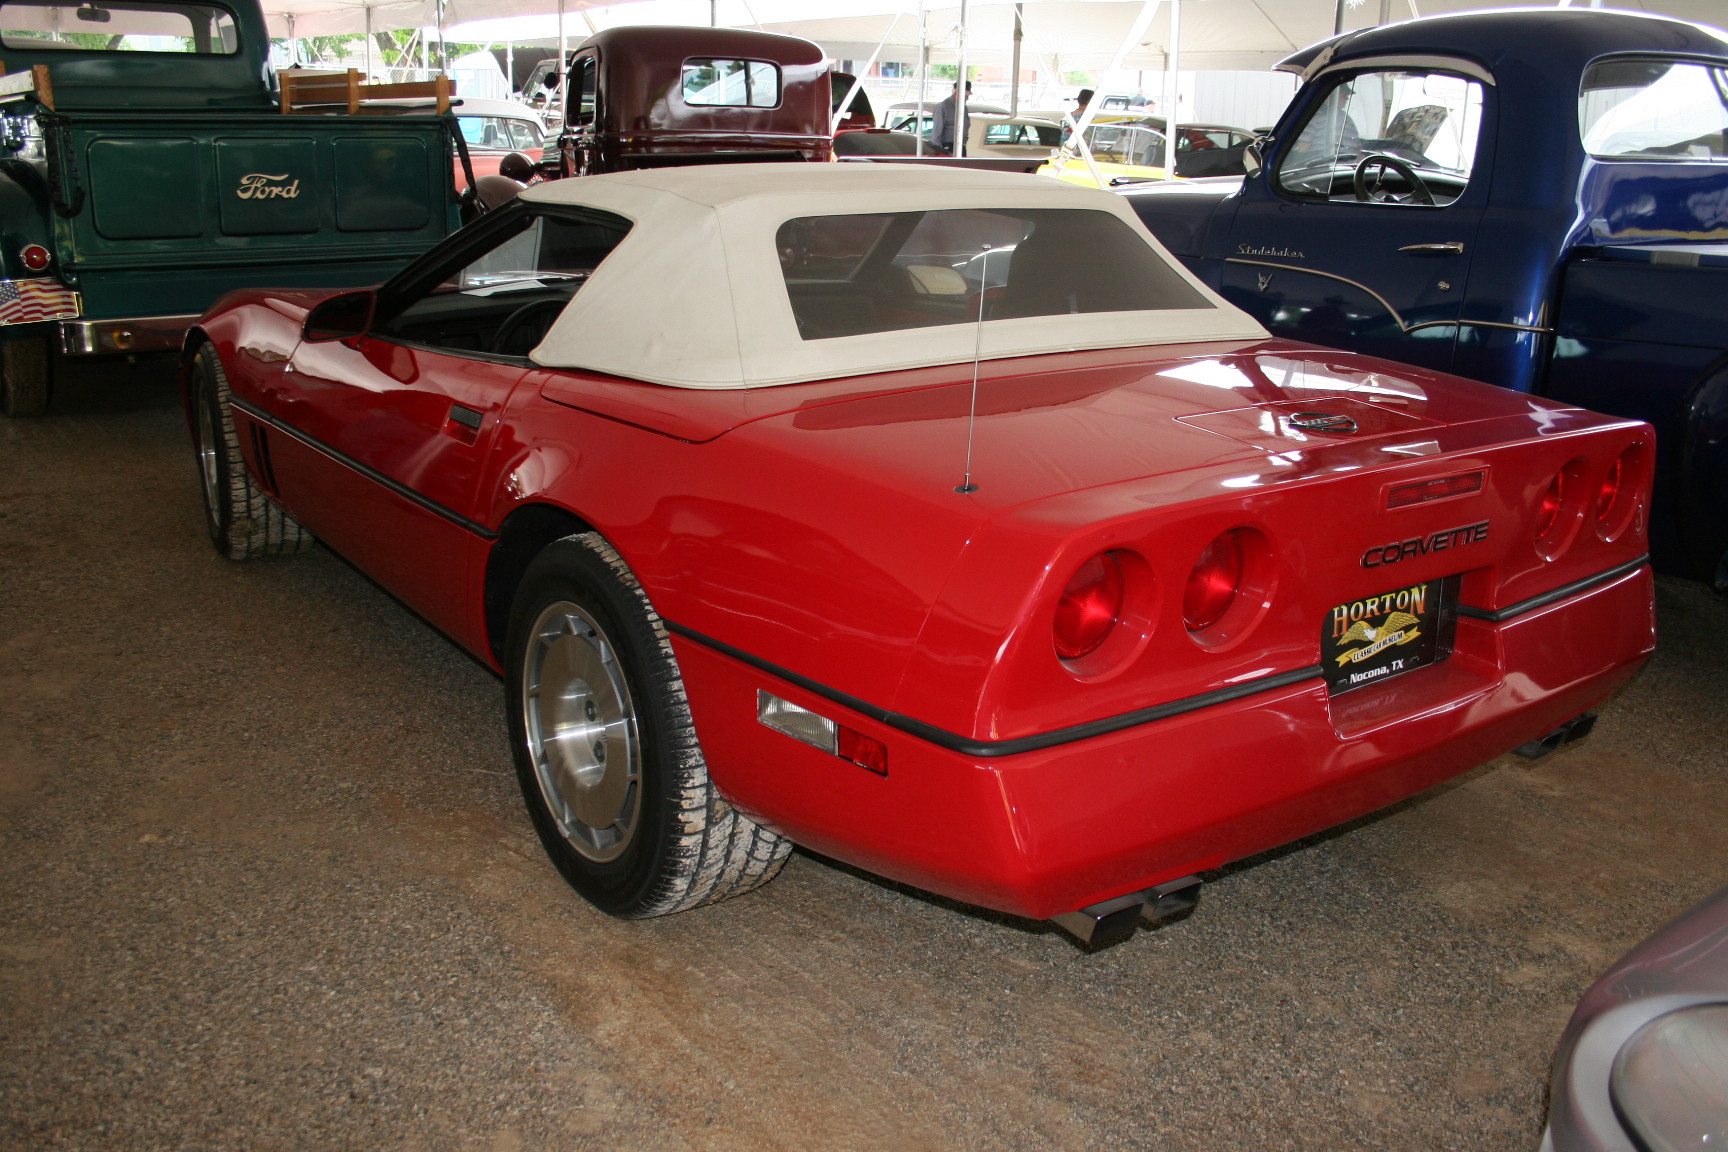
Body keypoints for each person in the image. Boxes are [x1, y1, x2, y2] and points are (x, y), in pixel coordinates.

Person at [931, 80, 971, 155]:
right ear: (957, 93)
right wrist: (940, 152)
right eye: (965, 96)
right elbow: (936, 133)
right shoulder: (943, 107)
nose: (967, 98)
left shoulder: (963, 108)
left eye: (967, 96)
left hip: (960, 146)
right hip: (947, 147)